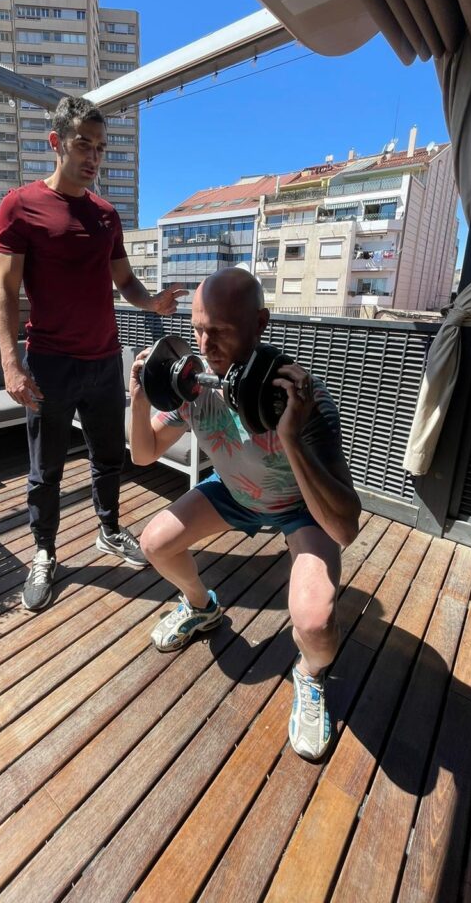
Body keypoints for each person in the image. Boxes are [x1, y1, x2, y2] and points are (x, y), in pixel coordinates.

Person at [128, 268, 361, 760]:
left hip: (300, 508)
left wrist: (291, 434)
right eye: (197, 330)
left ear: (260, 323)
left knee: (316, 625)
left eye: (221, 330)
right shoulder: (194, 388)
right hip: (233, 493)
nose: (205, 345)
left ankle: (310, 674)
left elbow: (345, 527)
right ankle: (200, 606)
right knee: (153, 543)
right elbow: (144, 454)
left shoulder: (303, 399)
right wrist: (139, 397)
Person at [0, 96, 186, 612]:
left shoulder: (106, 215)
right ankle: (44, 552)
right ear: (56, 143)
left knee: (107, 457)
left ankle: (108, 530)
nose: (93, 156)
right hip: (50, 363)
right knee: (45, 469)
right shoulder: (21, 205)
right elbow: (5, 292)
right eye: (83, 144)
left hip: (104, 361)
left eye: (100, 148)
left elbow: (123, 280)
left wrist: (153, 302)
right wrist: (11, 363)